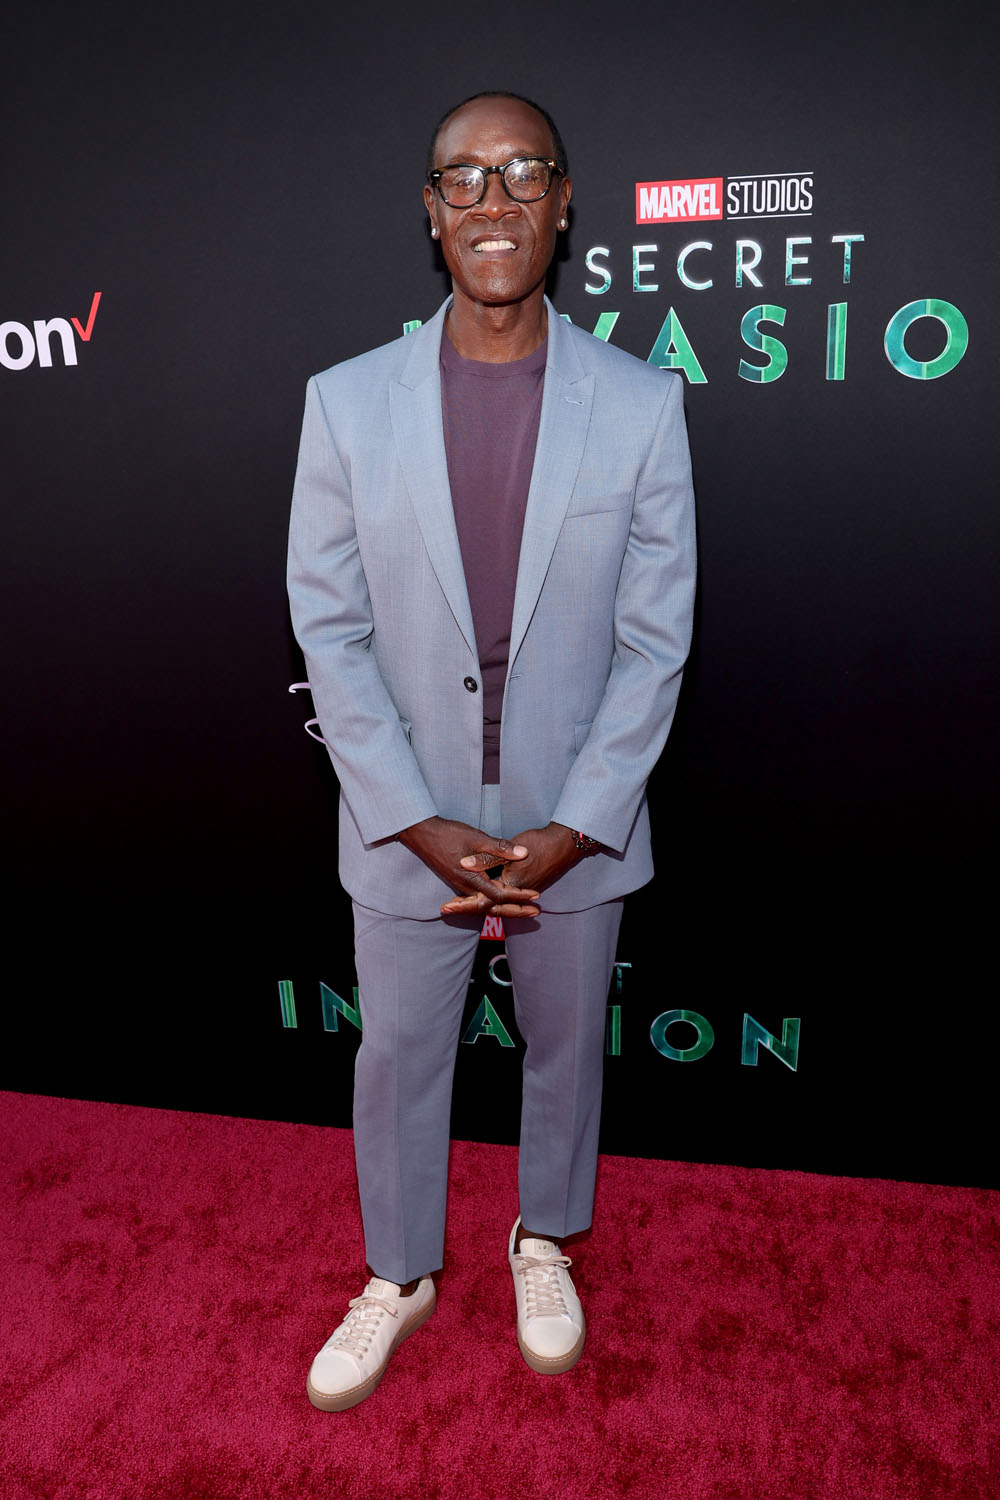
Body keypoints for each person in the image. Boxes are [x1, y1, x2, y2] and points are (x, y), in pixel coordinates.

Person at [287, 90, 696, 1411]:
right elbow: (330, 629)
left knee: (568, 1055)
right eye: (464, 178)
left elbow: (655, 643)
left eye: (524, 172)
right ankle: (399, 1271)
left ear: (565, 203)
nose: (494, 201)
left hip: (576, 820)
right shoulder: (345, 404)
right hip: (408, 823)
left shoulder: (642, 405)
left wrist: (575, 826)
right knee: (399, 1061)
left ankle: (545, 1240)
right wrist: (413, 818)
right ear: (431, 212)